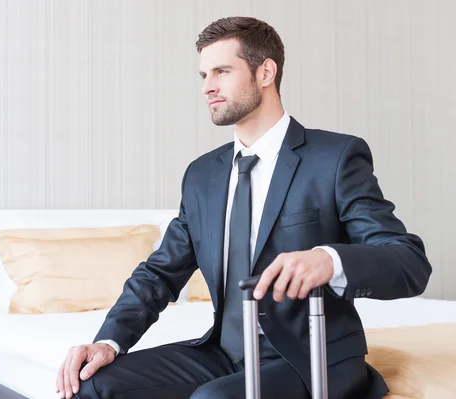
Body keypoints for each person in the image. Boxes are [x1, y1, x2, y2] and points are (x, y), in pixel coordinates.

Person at [56, 16, 432, 399]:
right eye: (203, 75)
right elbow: (160, 272)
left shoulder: (334, 158)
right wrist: (109, 342)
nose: (208, 87)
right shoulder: (202, 175)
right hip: (225, 351)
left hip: (309, 357)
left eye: (222, 71)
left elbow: (408, 262)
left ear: (265, 72)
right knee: (92, 385)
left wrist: (329, 260)